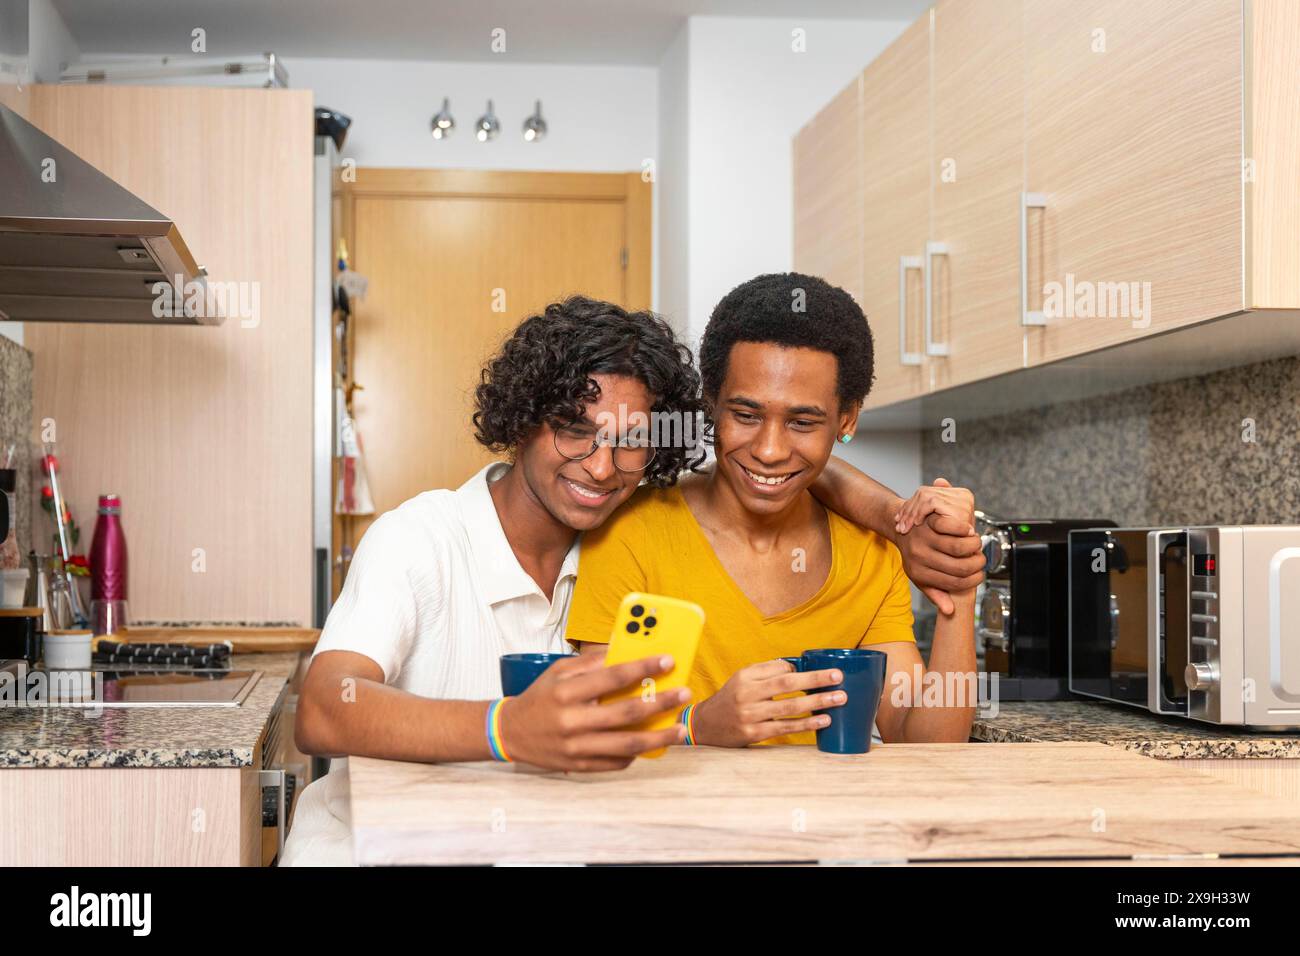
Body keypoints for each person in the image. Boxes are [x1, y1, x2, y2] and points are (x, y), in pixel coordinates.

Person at [284, 294, 982, 865]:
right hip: (363, 852)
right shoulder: (422, 539)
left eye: (627, 440)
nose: (598, 464)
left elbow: (781, 458)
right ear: (523, 418)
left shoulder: (614, 536)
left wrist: (902, 520)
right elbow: (322, 709)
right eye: (573, 428)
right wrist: (507, 729)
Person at [567, 274, 979, 746]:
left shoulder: (871, 554)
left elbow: (927, 746)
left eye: (802, 422)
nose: (768, 450)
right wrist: (700, 726)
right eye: (745, 416)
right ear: (711, 405)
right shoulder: (631, 531)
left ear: (847, 419)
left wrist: (958, 584)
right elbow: (600, 722)